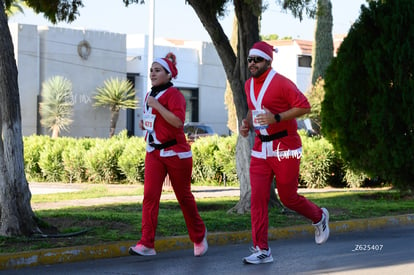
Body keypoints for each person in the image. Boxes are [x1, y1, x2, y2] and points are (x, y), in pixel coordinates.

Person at [239, 41, 330, 265]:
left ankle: (319, 217)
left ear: (268, 61)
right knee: (258, 199)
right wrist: (247, 124)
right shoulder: (249, 84)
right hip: (261, 148)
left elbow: (304, 106)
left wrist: (277, 117)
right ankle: (262, 249)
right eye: (250, 59)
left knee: (288, 197)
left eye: (257, 59)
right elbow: (253, 108)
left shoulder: (281, 83)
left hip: (285, 147)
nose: (252, 63)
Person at [129, 52, 208, 257]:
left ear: (168, 74)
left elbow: (178, 123)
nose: (153, 74)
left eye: (157, 70)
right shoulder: (149, 95)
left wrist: (157, 107)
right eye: (151, 71)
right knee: (150, 196)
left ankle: (199, 236)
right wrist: (144, 124)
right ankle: (147, 243)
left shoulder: (175, 95)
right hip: (154, 152)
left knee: (183, 197)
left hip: (176, 153)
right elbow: (154, 121)